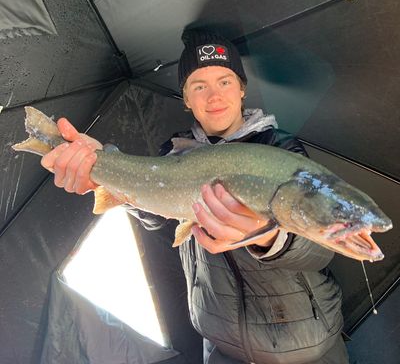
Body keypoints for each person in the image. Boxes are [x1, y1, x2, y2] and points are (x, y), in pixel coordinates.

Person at [41, 28, 349, 364]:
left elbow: (320, 248)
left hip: (308, 347)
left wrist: (269, 236)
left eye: (225, 81)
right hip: (219, 346)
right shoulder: (173, 153)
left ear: (242, 89)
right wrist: (105, 168)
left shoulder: (280, 150)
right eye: (199, 86)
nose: (213, 95)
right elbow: (155, 215)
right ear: (186, 99)